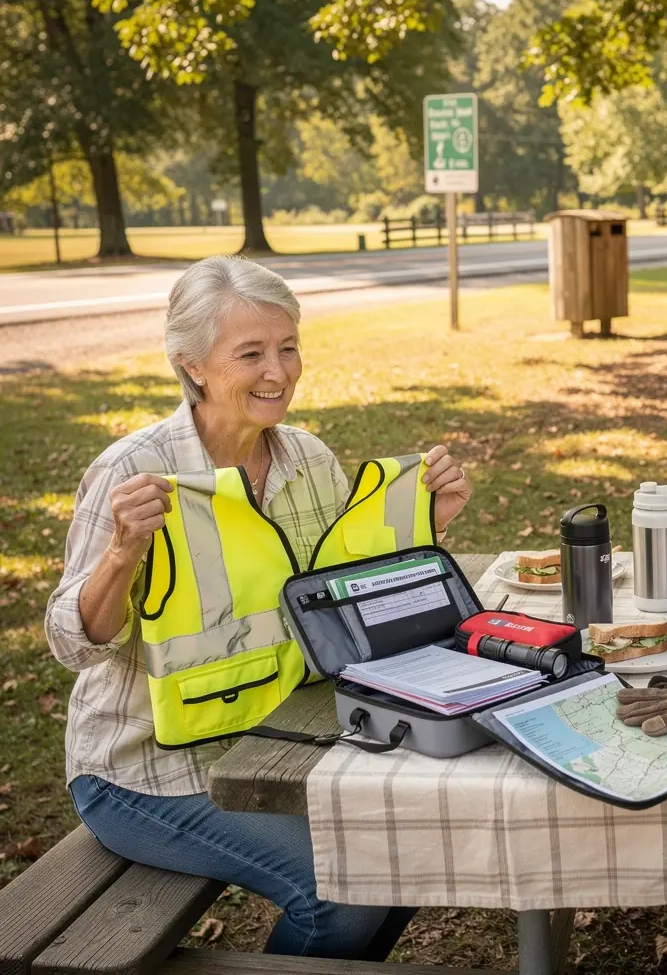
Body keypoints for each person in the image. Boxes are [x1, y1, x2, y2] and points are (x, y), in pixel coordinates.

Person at [45, 255, 473, 960]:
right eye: (251, 354)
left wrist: (433, 521)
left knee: (408, 848)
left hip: (271, 738)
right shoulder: (135, 471)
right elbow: (72, 644)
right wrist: (121, 555)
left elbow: (339, 597)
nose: (279, 372)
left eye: (288, 346)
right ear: (192, 366)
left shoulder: (306, 458)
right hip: (139, 769)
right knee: (345, 887)